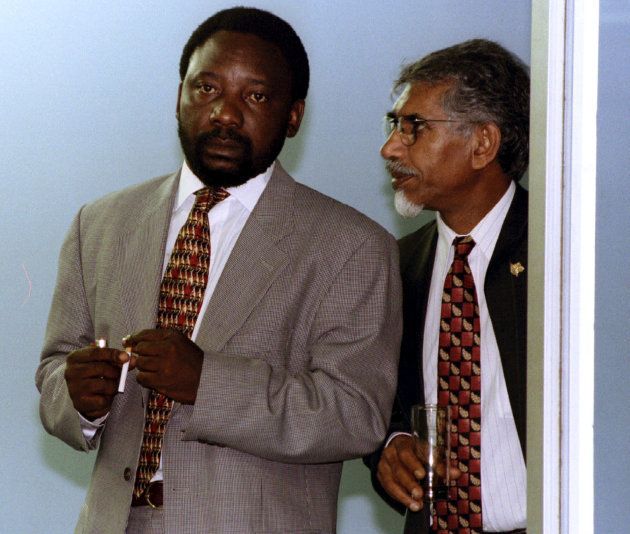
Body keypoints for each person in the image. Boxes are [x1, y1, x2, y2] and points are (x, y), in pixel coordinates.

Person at [36, 7, 402, 534]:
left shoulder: (352, 246)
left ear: (294, 115)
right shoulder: (100, 223)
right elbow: (53, 370)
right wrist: (77, 399)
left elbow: (356, 414)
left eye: (254, 96)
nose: (225, 114)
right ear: (178, 96)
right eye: (206, 89)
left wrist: (207, 383)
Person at [365, 39, 529, 534]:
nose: (390, 147)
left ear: (483, 143)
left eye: (414, 127)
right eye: (394, 124)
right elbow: (377, 403)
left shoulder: (563, 256)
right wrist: (389, 447)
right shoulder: (396, 266)